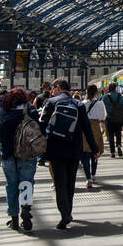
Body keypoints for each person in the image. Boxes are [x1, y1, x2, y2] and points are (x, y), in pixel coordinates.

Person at [40, 78, 99, 229]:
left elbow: (42, 125)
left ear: (58, 88)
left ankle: (65, 214)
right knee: (70, 184)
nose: (52, 92)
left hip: (55, 149)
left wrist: (40, 148)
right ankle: (68, 211)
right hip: (74, 149)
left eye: (53, 89)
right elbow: (87, 129)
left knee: (60, 183)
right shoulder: (78, 104)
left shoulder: (51, 103)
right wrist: (94, 149)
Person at [0, 87, 38, 231]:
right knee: (26, 182)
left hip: (8, 155)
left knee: (11, 185)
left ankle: (13, 218)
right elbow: (39, 128)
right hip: (27, 154)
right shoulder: (29, 110)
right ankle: (25, 208)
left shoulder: (3, 112)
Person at [81, 83, 106, 188]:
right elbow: (103, 117)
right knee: (95, 152)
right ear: (96, 92)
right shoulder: (100, 104)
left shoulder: (82, 103)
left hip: (84, 129)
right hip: (96, 128)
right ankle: (93, 175)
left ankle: (88, 179)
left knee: (85, 154)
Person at [102, 82, 123, 157]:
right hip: (118, 118)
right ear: (115, 88)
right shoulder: (120, 96)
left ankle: (112, 152)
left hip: (109, 118)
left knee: (110, 135)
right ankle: (119, 145)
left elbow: (102, 107)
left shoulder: (105, 96)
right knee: (118, 133)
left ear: (109, 88)